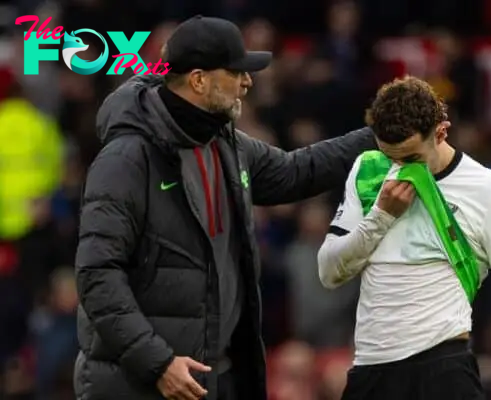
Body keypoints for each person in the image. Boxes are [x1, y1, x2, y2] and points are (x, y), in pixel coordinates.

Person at [73, 15, 376, 400]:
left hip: (213, 379)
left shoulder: (225, 144)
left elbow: (297, 171)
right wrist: (157, 362)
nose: (248, 82)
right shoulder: (127, 159)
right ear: (199, 80)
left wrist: (379, 134)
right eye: (236, 73)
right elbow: (97, 276)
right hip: (144, 384)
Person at [317, 76, 491, 400]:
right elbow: (328, 272)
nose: (399, 168)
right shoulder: (368, 172)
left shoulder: (490, 190)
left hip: (443, 371)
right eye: (389, 156)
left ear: (440, 132)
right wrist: (379, 218)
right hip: (371, 371)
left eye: (410, 159)